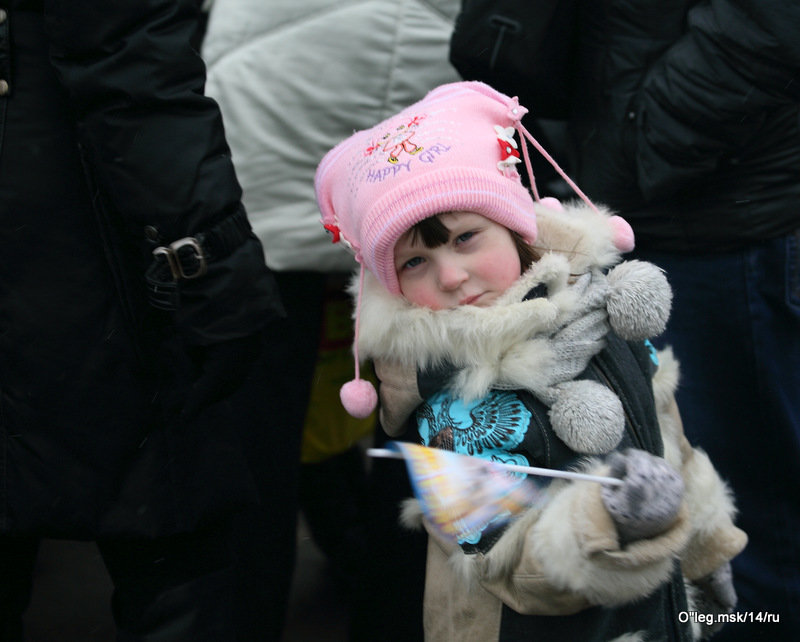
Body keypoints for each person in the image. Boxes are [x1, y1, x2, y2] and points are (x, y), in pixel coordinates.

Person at [314, 81, 747, 641]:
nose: (450, 276)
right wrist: (608, 525)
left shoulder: (594, 309)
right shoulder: (449, 412)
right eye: (415, 262)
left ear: (516, 227)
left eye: (467, 237)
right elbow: (509, 568)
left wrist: (705, 550)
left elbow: (665, 432)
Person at [449, 2, 800, 638]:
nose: (448, 276)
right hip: (608, 191)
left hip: (713, 208)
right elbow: (493, 554)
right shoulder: (444, 370)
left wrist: (641, 136)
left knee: (755, 518)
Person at [0, 1, 284, 640]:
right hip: (85, 256)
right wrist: (215, 270)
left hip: (59, 242)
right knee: (178, 544)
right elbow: (137, 76)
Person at [201, 0, 462, 638]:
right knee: (436, 429)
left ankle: (246, 616)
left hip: (259, 131)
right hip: (436, 159)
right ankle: (398, 617)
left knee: (252, 441)